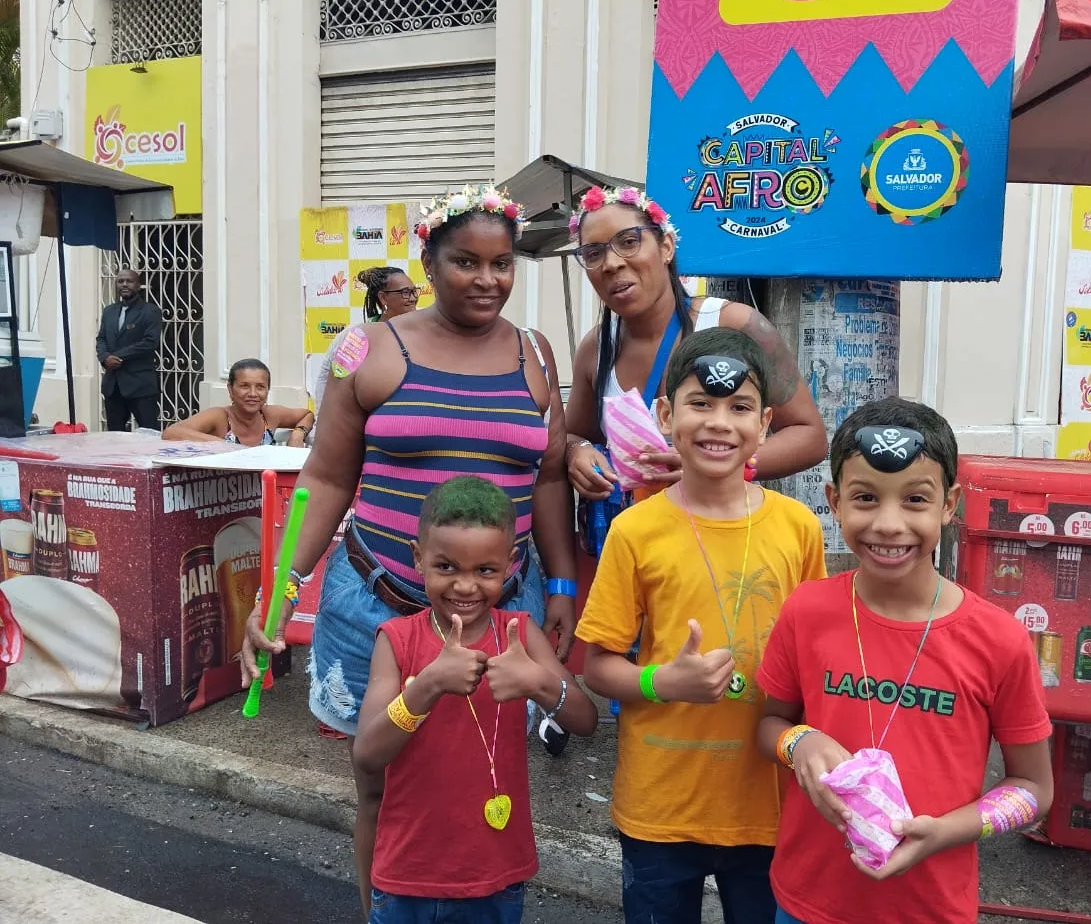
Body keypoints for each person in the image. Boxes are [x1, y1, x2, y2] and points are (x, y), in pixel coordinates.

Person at [240, 184, 579, 917]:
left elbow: (548, 477)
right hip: (378, 609)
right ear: (428, 261)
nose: (487, 279)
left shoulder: (534, 353)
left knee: (472, 778)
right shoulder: (371, 349)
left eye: (501, 263)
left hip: (499, 612)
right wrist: (283, 585)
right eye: (465, 261)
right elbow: (328, 476)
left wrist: (559, 582)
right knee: (380, 783)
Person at [755, 397, 1054, 924]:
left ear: (949, 504)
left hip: (930, 907)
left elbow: (1032, 789)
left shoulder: (999, 640)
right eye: (865, 498)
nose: (889, 524)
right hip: (808, 900)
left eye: (915, 499)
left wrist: (946, 831)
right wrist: (801, 740)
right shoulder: (807, 611)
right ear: (834, 501)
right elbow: (768, 725)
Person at [575, 326, 827, 924]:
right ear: (666, 415)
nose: (719, 423)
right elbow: (598, 666)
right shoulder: (635, 530)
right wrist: (665, 682)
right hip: (661, 804)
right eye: (700, 404)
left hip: (767, 803)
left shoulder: (798, 529)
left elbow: (817, 661)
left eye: (739, 407)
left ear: (765, 424)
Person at [352, 475, 597, 924]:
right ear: (418, 558)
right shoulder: (397, 640)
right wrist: (426, 686)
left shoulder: (520, 634)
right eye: (446, 567)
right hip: (408, 876)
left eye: (485, 571)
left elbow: (585, 719)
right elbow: (367, 752)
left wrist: (540, 684)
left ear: (510, 564)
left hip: (496, 875)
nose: (465, 587)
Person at [562, 185, 827, 504]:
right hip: (628, 543)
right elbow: (572, 435)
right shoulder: (597, 348)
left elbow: (810, 437)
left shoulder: (736, 325)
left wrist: (726, 465)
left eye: (629, 242)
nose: (612, 263)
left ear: (667, 247)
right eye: (594, 253)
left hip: (719, 539)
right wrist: (578, 452)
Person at [313, 266, 421, 415]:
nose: (413, 298)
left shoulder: (419, 336)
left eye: (414, 291)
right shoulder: (356, 337)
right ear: (383, 298)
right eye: (405, 292)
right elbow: (330, 385)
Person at [162, 358, 314, 447]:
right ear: (230, 389)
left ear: (267, 390)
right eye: (244, 386)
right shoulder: (220, 417)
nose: (253, 394)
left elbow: (307, 415)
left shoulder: (269, 415)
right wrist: (224, 447)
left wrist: (298, 434)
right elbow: (171, 433)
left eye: (260, 387)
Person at [96, 269, 162, 432]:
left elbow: (150, 342)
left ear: (139, 285)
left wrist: (116, 356)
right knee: (115, 435)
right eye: (120, 281)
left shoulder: (150, 311)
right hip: (113, 385)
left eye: (129, 281)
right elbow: (101, 338)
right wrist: (105, 358)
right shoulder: (109, 311)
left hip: (140, 384)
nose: (124, 284)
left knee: (149, 433)